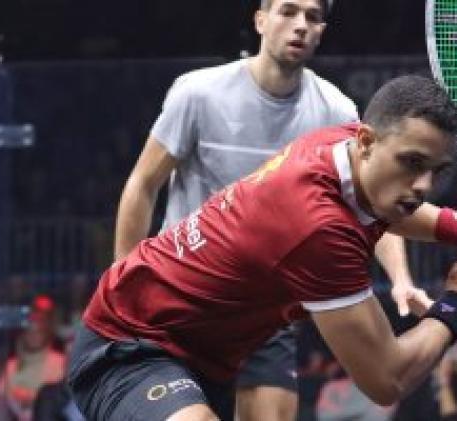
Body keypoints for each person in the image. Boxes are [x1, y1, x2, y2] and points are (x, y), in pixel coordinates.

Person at [69, 75, 457, 420]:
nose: (424, 186)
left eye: (436, 170)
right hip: (129, 344)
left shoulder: (338, 146)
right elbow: (386, 379)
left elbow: (399, 206)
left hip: (205, 356)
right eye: (411, 163)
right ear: (367, 141)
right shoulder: (318, 230)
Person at [112, 1, 431, 419]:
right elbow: (143, 183)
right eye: (288, 12)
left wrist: (401, 279)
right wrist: (124, 277)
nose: (301, 26)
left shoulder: (335, 111)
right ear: (260, 20)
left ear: (321, 31)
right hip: (187, 297)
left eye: (313, 17)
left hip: (266, 308)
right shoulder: (198, 93)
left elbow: (369, 206)